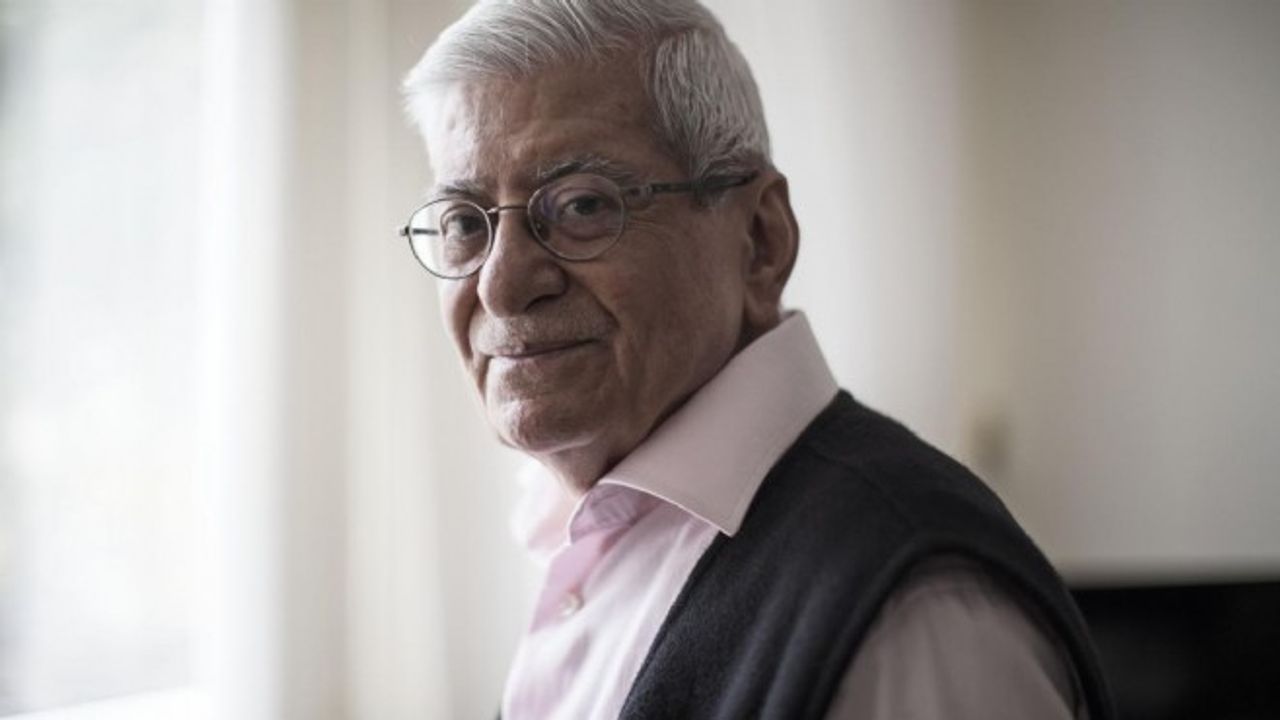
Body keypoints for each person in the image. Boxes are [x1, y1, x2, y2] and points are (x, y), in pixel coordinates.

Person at [399, 1, 1113, 718]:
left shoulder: (910, 609)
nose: (501, 285)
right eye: (463, 221)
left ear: (762, 241)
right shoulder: (575, 533)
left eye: (582, 206)